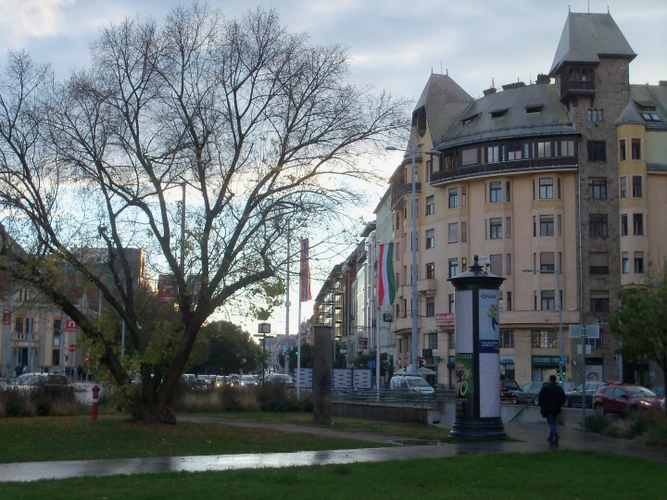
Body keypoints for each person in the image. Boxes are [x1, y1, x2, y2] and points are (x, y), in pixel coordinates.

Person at [538, 374, 566, 444]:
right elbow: (563, 397)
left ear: (550, 380)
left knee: (551, 422)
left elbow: (540, 397)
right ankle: (551, 437)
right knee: (553, 422)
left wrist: (541, 404)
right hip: (556, 408)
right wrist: (560, 404)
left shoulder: (546, 388)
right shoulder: (559, 388)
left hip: (547, 408)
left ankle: (556, 434)